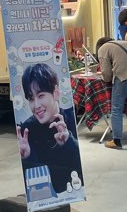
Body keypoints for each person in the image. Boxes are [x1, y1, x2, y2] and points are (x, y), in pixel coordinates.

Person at [16, 63, 82, 195]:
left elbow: (80, 170)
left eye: (41, 95)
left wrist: (68, 142)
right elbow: (36, 186)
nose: (36, 105)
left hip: (72, 193)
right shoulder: (27, 131)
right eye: (31, 98)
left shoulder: (71, 119)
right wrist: (27, 157)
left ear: (56, 93)